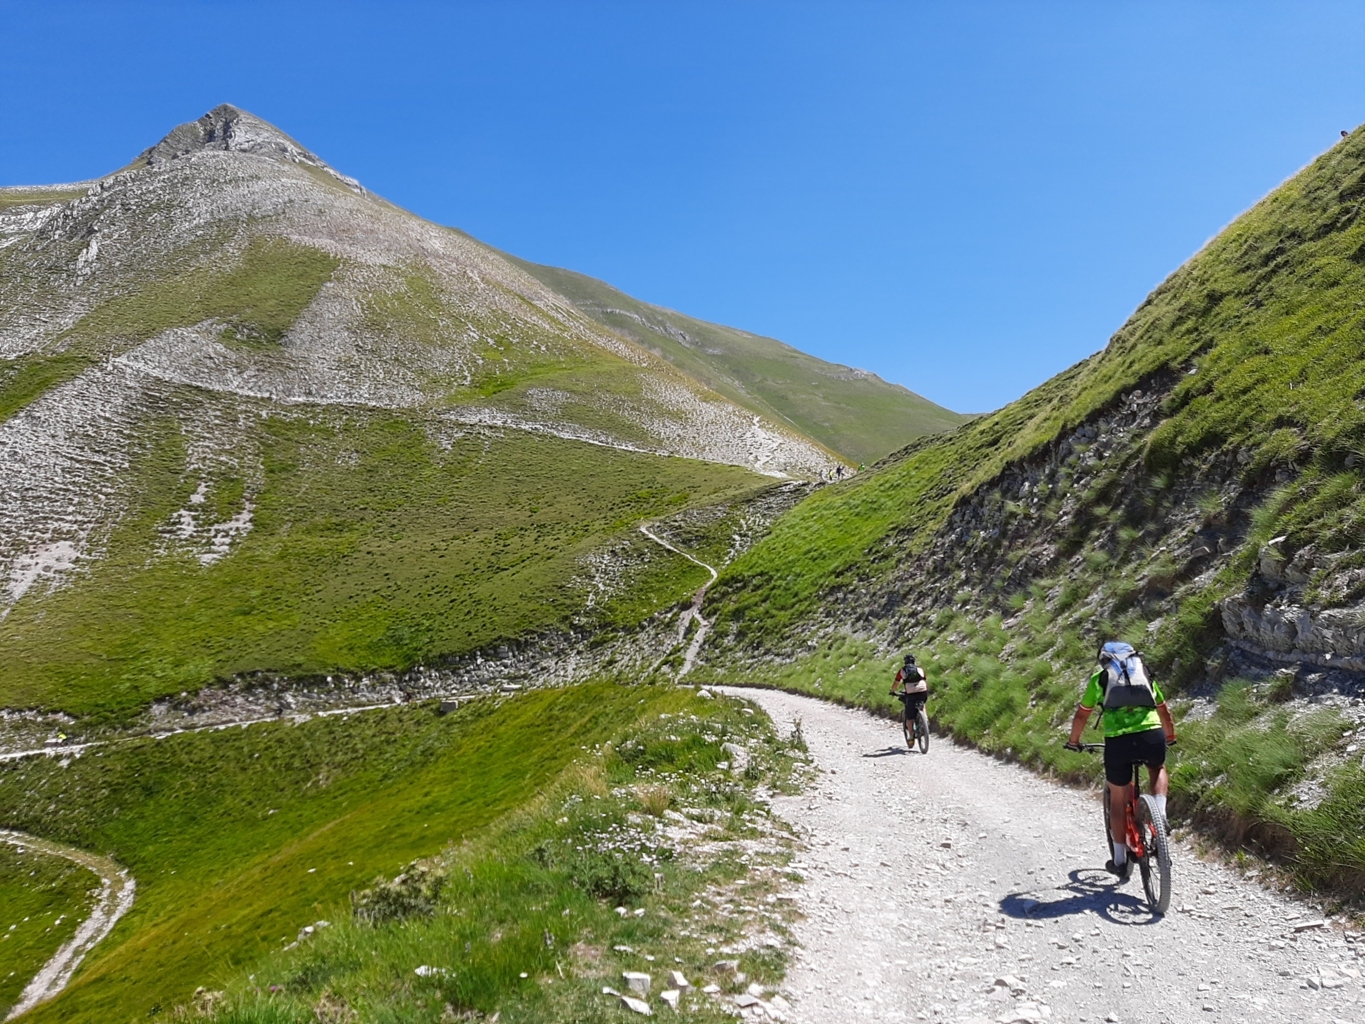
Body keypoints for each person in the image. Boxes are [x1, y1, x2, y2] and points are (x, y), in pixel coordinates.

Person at [1064, 641, 1177, 881]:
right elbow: (1163, 708)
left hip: (1118, 742)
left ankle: (1118, 860)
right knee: (1157, 769)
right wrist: (1170, 735)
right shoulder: (1143, 673)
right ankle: (1160, 812)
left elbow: (1082, 713)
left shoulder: (1101, 678)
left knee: (1117, 800)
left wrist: (1074, 741)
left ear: (1104, 659)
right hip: (1151, 735)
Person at [890, 653, 928, 718]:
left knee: (910, 717)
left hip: (911, 693)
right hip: (923, 690)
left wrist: (892, 691)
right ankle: (926, 720)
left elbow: (896, 683)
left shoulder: (902, 670)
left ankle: (910, 727)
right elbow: (924, 680)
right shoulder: (920, 669)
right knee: (922, 704)